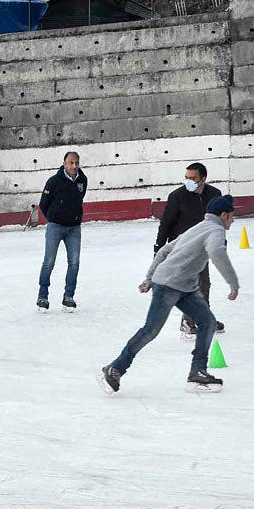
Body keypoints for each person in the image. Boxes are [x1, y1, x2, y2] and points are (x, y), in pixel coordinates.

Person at [97, 195, 240, 395]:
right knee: (150, 330)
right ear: (223, 215)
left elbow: (164, 250)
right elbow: (216, 251)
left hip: (186, 287)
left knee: (207, 322)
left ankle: (197, 372)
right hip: (168, 285)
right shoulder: (215, 230)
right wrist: (233, 283)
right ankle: (114, 368)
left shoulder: (199, 227)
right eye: (232, 216)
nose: (233, 220)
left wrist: (149, 278)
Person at [155, 162, 224, 335]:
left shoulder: (215, 195)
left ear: (203, 179)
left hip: (203, 246)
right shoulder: (177, 196)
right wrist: (159, 247)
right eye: (186, 178)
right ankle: (188, 320)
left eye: (192, 178)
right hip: (182, 247)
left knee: (204, 283)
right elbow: (166, 223)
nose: (188, 181)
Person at [36, 151, 88, 313]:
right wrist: (54, 217)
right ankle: (42, 297)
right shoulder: (53, 181)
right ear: (64, 163)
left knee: (74, 262)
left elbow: (80, 198)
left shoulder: (82, 180)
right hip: (55, 227)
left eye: (76, 163)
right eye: (71, 163)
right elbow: (43, 204)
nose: (74, 166)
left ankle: (69, 297)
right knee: (49, 262)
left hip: (74, 228)